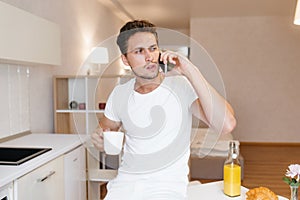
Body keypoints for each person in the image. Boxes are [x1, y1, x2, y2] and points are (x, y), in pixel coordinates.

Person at [91, 20, 236, 199]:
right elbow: (106, 130)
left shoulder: (180, 86)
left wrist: (190, 70)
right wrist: (99, 138)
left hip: (167, 187)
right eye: (139, 51)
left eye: (153, 48)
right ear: (125, 59)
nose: (149, 56)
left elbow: (226, 124)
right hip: (126, 184)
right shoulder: (119, 93)